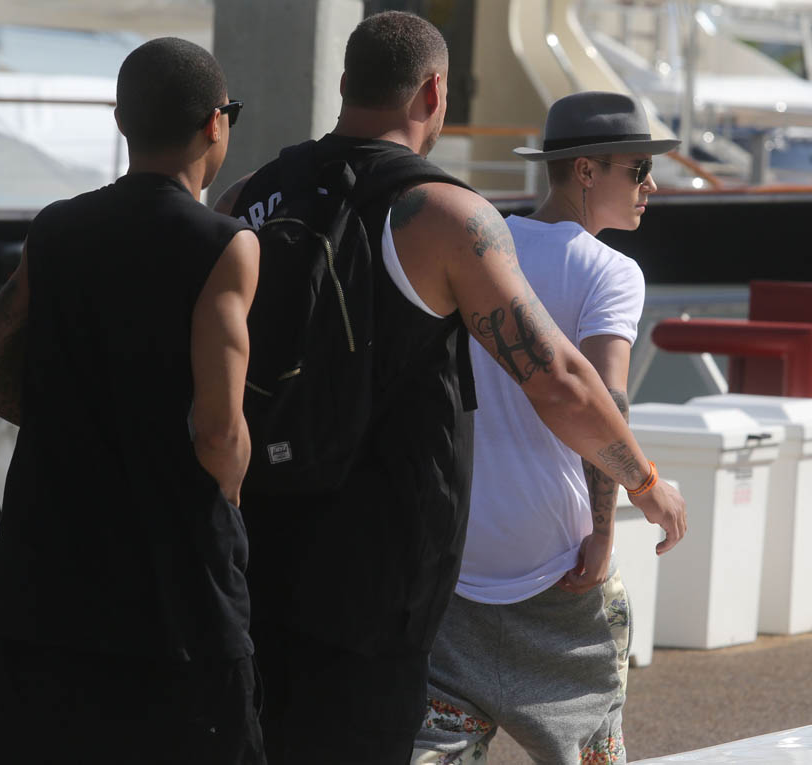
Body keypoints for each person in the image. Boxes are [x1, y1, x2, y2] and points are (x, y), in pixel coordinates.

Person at [216, 13, 686, 765]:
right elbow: (563, 382)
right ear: (434, 92)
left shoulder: (249, 196)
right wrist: (645, 482)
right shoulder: (441, 214)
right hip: (382, 575)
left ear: (345, 84)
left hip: (261, 550)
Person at [0, 38, 263, 765]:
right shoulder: (224, 244)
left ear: (122, 121)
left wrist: (80, 431)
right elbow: (219, 432)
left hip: (45, 586)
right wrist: (227, 496)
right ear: (215, 123)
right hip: (175, 596)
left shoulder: (55, 229)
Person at [411, 91, 678, 765]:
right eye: (639, 169)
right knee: (594, 749)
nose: (651, 185)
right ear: (586, 171)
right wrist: (606, 530)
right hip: (555, 556)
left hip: (460, 547)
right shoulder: (611, 272)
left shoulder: (482, 243)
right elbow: (606, 398)